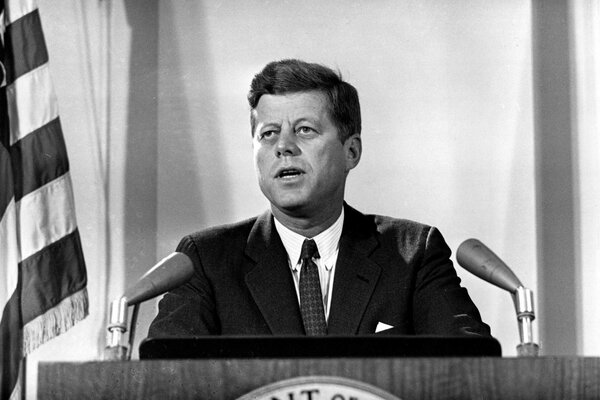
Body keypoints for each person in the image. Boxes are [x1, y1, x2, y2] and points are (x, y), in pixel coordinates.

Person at [147, 59, 491, 337]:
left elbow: (471, 371)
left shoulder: (413, 253)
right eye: (268, 134)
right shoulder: (206, 261)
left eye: (304, 130)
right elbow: (162, 381)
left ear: (351, 151)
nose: (284, 147)